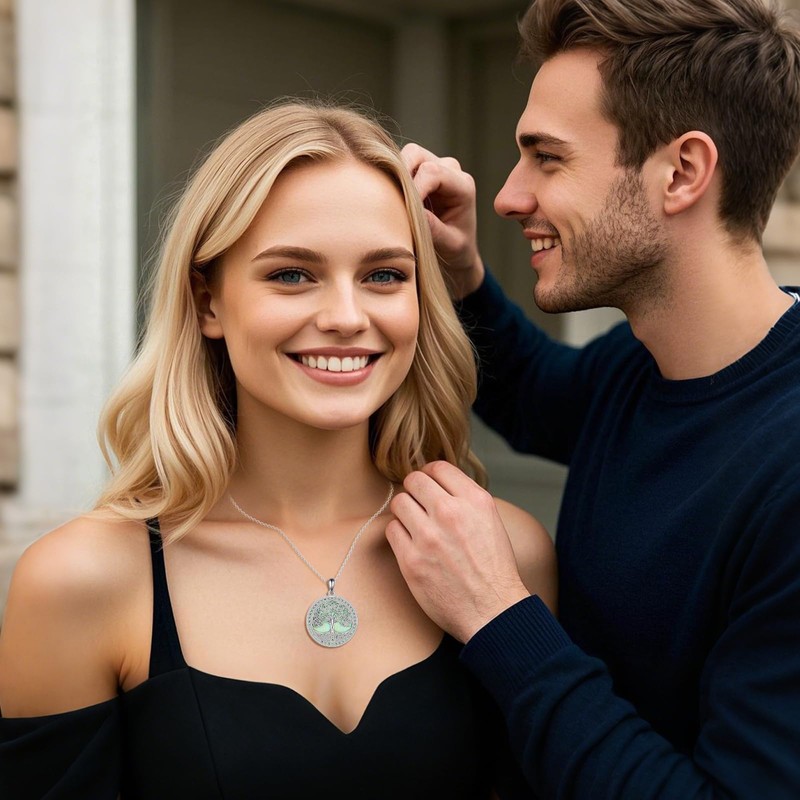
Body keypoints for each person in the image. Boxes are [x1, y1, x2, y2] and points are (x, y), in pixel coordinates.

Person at [0, 101, 555, 799]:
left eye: (385, 275)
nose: (347, 318)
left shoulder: (509, 554)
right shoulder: (82, 581)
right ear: (207, 302)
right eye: (292, 274)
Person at [386, 0, 800, 797]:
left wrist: (497, 615)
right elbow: (536, 395)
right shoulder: (641, 365)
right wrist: (464, 274)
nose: (507, 197)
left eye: (546, 157)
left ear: (681, 172)